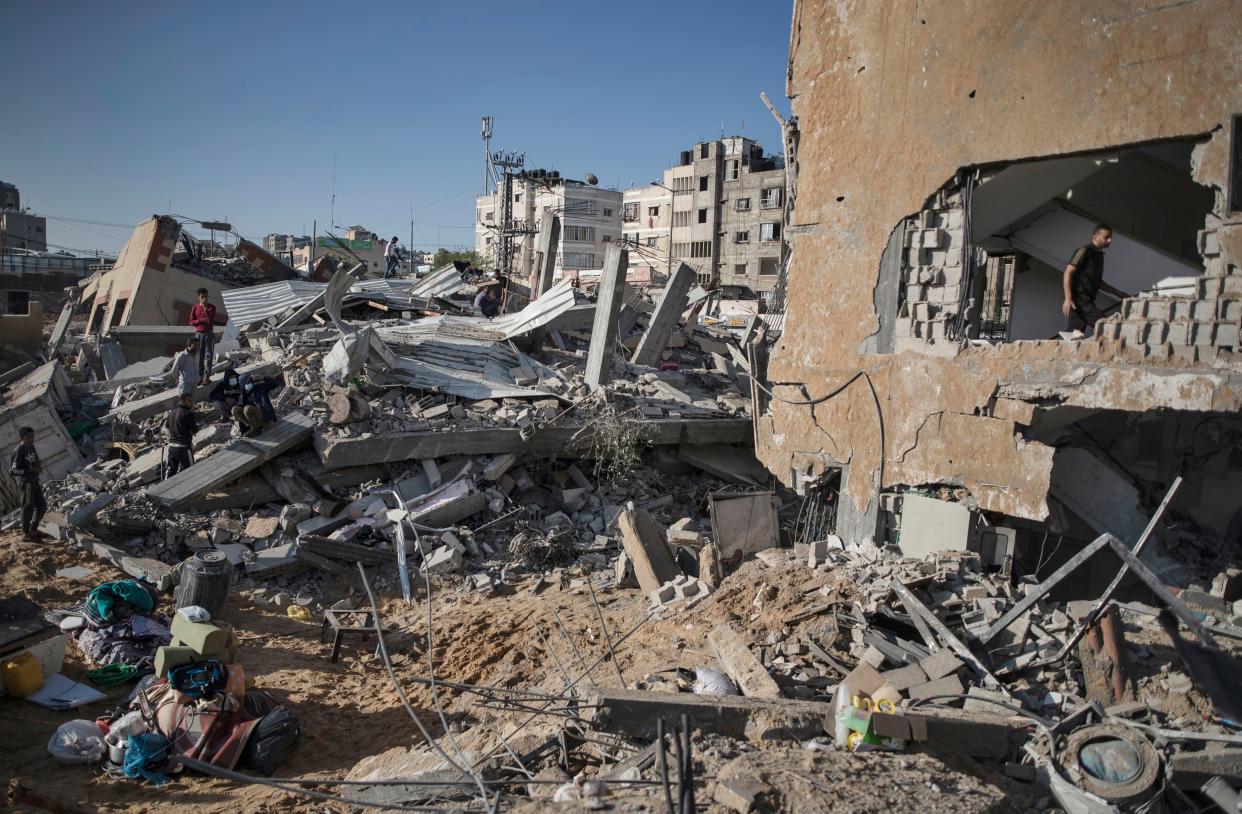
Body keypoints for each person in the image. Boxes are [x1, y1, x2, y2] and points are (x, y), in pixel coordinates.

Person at [1062, 224, 1129, 335]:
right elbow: (1067, 273)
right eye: (1106, 237)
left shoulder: (1099, 256)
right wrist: (1068, 299)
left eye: (1110, 238)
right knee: (1107, 326)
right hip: (1079, 301)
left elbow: (1098, 282)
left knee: (1073, 335)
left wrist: (1116, 292)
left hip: (1087, 300)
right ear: (1095, 237)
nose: (1109, 240)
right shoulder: (1084, 251)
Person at [9, 427, 47, 542]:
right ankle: (26, 532)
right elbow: (13, 471)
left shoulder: (31, 447)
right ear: (22, 438)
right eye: (29, 437)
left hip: (34, 481)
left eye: (33, 436)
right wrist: (30, 471)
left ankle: (33, 529)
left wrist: (38, 466)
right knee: (28, 507)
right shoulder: (19, 450)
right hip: (26, 484)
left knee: (42, 506)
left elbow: (35, 460)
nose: (32, 439)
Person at [164, 393, 198, 480]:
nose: (191, 403)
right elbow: (194, 430)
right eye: (189, 401)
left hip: (172, 447)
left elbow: (167, 426)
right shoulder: (188, 413)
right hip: (184, 448)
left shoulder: (172, 412)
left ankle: (165, 488)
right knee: (191, 470)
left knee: (171, 470)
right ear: (182, 401)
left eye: (191, 401)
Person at [189, 287, 216, 384]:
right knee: (199, 356)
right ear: (199, 297)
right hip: (199, 334)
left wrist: (205, 308)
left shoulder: (211, 307)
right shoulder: (195, 308)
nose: (205, 298)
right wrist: (199, 321)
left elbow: (210, 319)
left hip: (208, 334)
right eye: (202, 296)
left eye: (206, 296)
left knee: (208, 355)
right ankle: (199, 377)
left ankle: (206, 377)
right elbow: (191, 322)